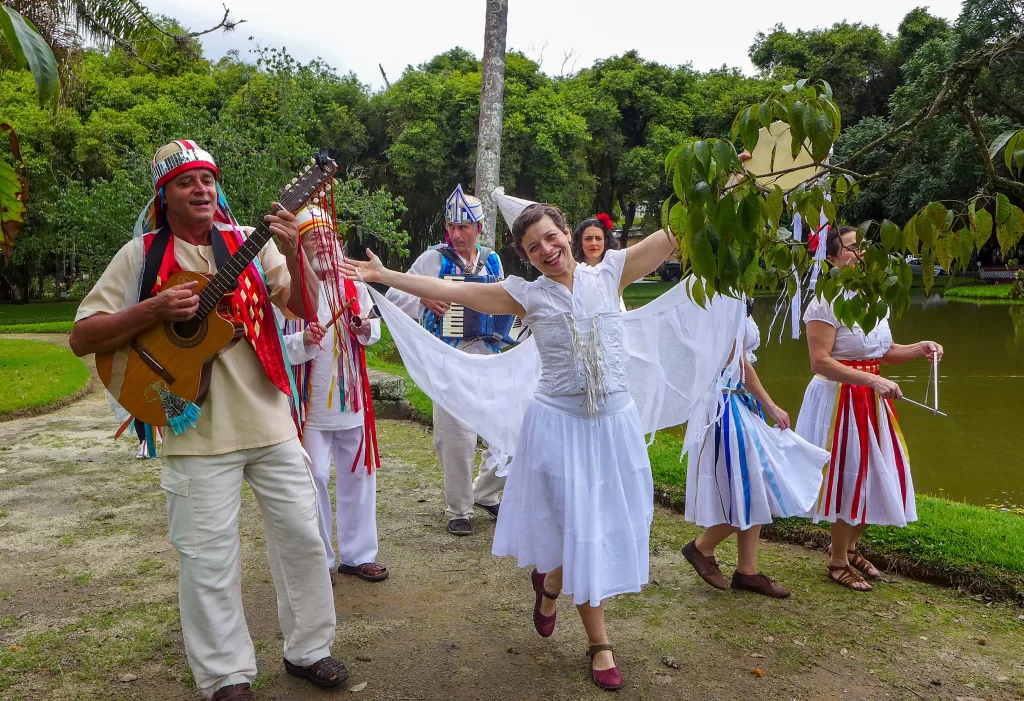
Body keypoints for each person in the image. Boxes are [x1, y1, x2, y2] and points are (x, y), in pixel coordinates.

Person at [342, 202, 681, 691]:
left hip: (613, 428)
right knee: (578, 528)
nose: (547, 250)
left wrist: (732, 181)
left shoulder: (610, 272)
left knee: (601, 524)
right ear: (525, 257)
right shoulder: (528, 296)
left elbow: (674, 234)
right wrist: (384, 275)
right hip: (559, 428)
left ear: (567, 232)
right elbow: (451, 289)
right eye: (532, 247)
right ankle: (599, 641)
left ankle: (550, 586)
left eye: (551, 237)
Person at [69, 141, 348, 700]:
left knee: (304, 538)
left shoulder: (244, 242)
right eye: (186, 181)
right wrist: (153, 309)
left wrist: (293, 253)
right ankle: (226, 674)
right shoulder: (142, 255)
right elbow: (83, 335)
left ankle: (310, 649)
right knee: (207, 556)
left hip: (269, 418)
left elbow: (303, 307)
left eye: (207, 179)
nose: (201, 189)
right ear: (163, 194)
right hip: (186, 420)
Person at [796, 226, 944, 592]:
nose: (862, 254)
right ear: (831, 258)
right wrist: (873, 382)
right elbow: (820, 362)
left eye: (863, 247)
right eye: (852, 248)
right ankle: (837, 561)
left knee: (885, 474)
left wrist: (919, 348)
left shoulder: (874, 299)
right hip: (840, 399)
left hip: (869, 399)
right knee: (851, 478)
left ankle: (847, 545)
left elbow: (882, 352)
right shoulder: (823, 302)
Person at [681, 298, 828, 598]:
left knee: (755, 480)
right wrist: (771, 405)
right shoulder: (720, 295)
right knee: (753, 482)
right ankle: (702, 547)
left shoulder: (735, 290)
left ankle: (747, 569)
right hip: (725, 402)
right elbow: (739, 363)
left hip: (736, 399)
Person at [384, 184, 507, 537]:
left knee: (506, 430)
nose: (455, 234)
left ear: (478, 229)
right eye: (451, 227)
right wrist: (424, 300)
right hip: (447, 356)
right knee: (456, 435)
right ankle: (459, 508)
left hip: (487, 355)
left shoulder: (492, 261)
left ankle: (485, 492)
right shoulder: (433, 260)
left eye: (463, 227)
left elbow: (501, 302)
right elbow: (395, 296)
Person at [277, 206, 387, 586]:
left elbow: (374, 329)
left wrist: (363, 328)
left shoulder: (352, 284)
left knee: (360, 473)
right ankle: (318, 558)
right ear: (300, 248)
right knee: (315, 476)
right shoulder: (288, 288)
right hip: (308, 407)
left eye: (328, 238)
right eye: (313, 239)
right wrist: (302, 340)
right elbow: (273, 345)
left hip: (353, 400)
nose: (323, 245)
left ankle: (358, 556)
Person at [572, 214, 628, 312]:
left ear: (605, 241)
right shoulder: (572, 272)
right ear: (580, 242)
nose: (594, 243)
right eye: (588, 238)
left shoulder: (615, 272)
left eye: (598, 238)